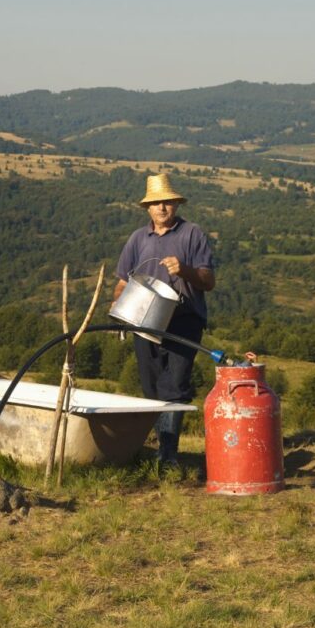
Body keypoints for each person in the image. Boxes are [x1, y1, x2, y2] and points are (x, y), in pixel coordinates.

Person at [114, 172, 215, 472]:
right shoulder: (137, 239)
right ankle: (161, 448)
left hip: (184, 320)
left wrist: (184, 270)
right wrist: (117, 303)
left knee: (174, 385)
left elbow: (208, 280)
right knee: (151, 385)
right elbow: (122, 281)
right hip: (145, 320)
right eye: (156, 203)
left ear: (176, 204)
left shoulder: (192, 234)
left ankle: (168, 455)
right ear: (147, 208)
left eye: (167, 202)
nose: (161, 208)